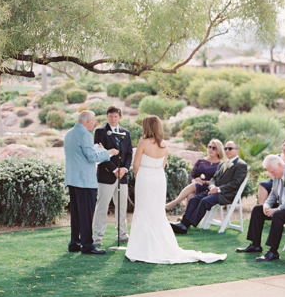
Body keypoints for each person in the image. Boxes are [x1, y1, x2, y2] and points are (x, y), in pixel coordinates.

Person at [125, 115, 225, 264]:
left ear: (146, 127)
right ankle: (156, 245)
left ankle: (142, 247)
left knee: (144, 210)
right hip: (159, 178)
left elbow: (136, 165)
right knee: (156, 212)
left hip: (145, 177)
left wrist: (140, 178)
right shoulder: (164, 144)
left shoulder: (143, 143)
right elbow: (163, 165)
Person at [236, 155, 285, 262]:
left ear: (279, 164)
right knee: (258, 210)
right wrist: (267, 205)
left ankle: (273, 252)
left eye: (272, 171)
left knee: (278, 215)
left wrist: (278, 209)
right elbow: (273, 193)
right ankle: (255, 245)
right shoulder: (277, 174)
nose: (272, 174)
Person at [64, 110, 118, 255]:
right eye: (93, 121)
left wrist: (98, 150)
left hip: (72, 180)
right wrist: (108, 152)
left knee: (75, 214)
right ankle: (87, 245)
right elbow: (91, 157)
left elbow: (81, 155)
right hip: (85, 181)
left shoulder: (69, 134)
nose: (94, 123)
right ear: (88, 121)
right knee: (86, 214)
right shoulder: (85, 135)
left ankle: (74, 243)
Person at [170, 141, 248, 234]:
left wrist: (218, 189)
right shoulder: (223, 164)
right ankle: (183, 223)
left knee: (204, 201)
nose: (227, 150)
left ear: (237, 151)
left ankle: (185, 225)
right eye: (225, 148)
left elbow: (235, 183)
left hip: (227, 194)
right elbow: (213, 178)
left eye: (230, 148)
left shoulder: (241, 165)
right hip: (214, 191)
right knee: (194, 199)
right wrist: (212, 187)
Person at [93, 106, 133, 246]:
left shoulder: (125, 133)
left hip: (122, 176)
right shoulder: (100, 132)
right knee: (102, 207)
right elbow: (100, 153)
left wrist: (124, 169)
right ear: (107, 116)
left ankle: (122, 234)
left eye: (116, 116)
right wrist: (114, 169)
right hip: (106, 175)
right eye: (110, 116)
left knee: (122, 207)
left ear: (120, 117)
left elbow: (129, 154)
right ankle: (97, 236)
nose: (113, 119)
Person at [165, 138, 223, 210]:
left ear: (218, 150)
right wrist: (193, 181)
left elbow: (218, 181)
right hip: (196, 186)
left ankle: (174, 203)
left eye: (213, 148)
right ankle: (186, 219)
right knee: (190, 195)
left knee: (193, 189)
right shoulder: (201, 161)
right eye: (209, 147)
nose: (210, 149)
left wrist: (203, 182)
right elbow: (192, 175)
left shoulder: (221, 164)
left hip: (209, 189)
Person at [257, 139, 285, 204]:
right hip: (273, 180)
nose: (284, 148)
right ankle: (262, 206)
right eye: (284, 145)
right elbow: (268, 172)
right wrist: (275, 177)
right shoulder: (276, 156)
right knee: (262, 184)